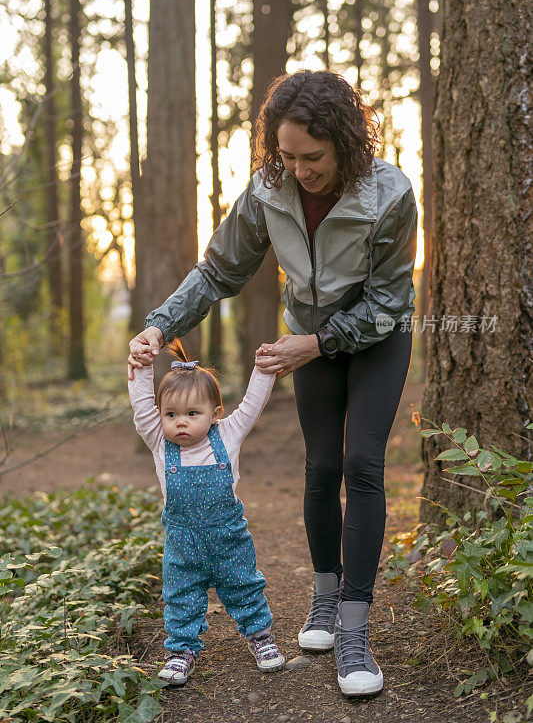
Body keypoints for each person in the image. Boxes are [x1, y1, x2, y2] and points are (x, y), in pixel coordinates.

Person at [128, 69, 417, 696]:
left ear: (344, 141)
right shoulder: (268, 191)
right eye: (285, 155)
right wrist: (159, 325)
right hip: (304, 339)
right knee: (320, 467)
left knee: (362, 462)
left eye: (312, 157)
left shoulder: (390, 192)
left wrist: (315, 344)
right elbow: (217, 272)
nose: (299, 169)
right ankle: (324, 598)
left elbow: (391, 302)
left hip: (375, 336)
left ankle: (356, 631)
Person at [128, 338, 285, 686]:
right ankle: (181, 651)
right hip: (182, 540)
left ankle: (260, 636)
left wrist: (261, 369)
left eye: (192, 414)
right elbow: (141, 407)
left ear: (214, 414)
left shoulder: (227, 434)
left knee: (244, 585)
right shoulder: (159, 440)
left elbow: (251, 405)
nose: (180, 423)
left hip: (228, 535)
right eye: (171, 414)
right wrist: (141, 367)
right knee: (180, 595)